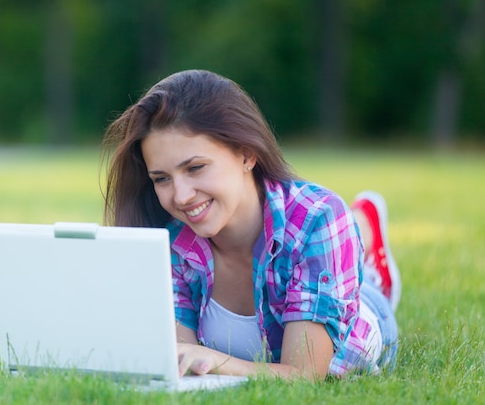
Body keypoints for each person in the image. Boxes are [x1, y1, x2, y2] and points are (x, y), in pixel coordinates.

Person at [101, 69, 400, 380]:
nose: (181, 196)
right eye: (162, 179)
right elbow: (180, 362)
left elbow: (306, 375)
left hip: (368, 318)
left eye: (195, 167)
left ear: (247, 153)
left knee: (365, 277)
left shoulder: (319, 219)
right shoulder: (170, 242)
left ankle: (368, 236)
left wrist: (215, 360)